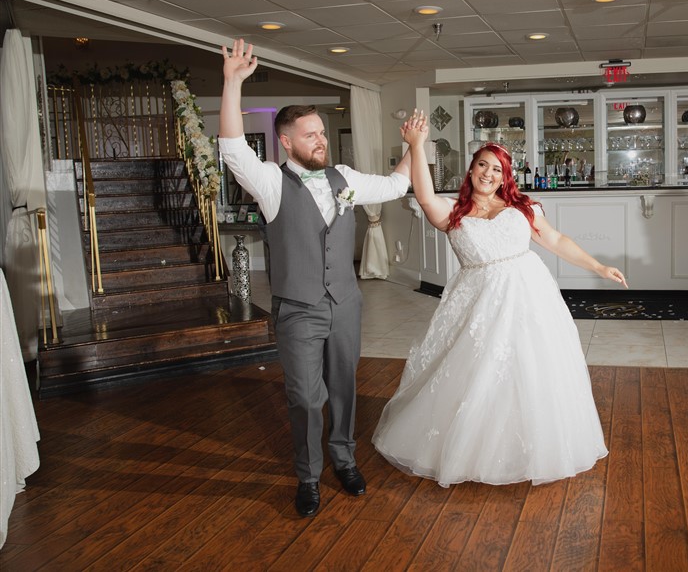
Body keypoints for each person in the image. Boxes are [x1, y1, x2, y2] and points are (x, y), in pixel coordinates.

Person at [373, 112, 627, 487]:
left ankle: (533, 446)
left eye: (497, 169)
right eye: (482, 165)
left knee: (533, 368)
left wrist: (598, 266)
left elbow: (555, 240)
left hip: (530, 297)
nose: (489, 174)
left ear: (506, 176)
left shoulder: (522, 208)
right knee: (479, 371)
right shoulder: (453, 213)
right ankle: (476, 449)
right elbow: (424, 197)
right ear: (471, 170)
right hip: (480, 302)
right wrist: (416, 145)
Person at [219, 39, 414, 517]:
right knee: (306, 397)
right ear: (286, 142)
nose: (320, 141)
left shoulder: (343, 177)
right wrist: (232, 83)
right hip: (299, 308)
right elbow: (231, 148)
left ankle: (343, 458)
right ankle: (308, 476)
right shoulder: (269, 181)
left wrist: (414, 147)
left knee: (344, 387)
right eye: (310, 135)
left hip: (345, 303)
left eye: (322, 132)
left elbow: (395, 185)